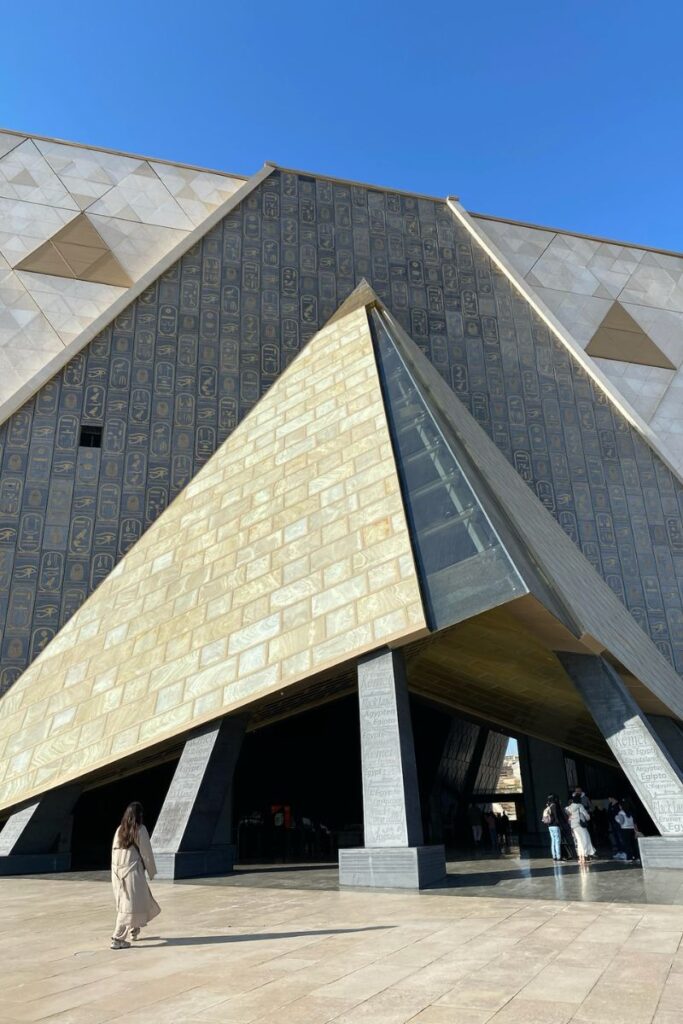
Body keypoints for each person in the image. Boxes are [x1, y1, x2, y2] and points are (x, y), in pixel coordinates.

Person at [111, 801, 160, 950]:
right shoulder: (140, 829)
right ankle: (117, 938)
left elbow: (114, 851)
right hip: (132, 871)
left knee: (136, 901)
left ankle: (134, 928)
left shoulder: (120, 830)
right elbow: (146, 852)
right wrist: (151, 871)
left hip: (117, 872)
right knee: (129, 906)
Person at [565, 794, 596, 864]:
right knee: (585, 840)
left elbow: (568, 814)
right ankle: (585, 857)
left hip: (574, 826)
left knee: (579, 841)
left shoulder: (569, 807)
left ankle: (581, 857)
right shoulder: (580, 805)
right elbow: (586, 815)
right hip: (580, 826)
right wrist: (587, 818)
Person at [615, 798, 640, 863]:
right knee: (633, 844)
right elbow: (634, 822)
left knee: (627, 844)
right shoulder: (630, 812)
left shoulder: (621, 812)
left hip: (624, 829)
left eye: (620, 805)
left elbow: (621, 821)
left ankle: (629, 857)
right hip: (632, 829)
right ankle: (636, 857)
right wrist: (636, 831)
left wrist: (616, 818)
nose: (619, 806)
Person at [542, 794, 565, 861]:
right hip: (555, 825)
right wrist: (559, 824)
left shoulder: (548, 806)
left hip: (550, 826)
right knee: (557, 841)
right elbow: (556, 816)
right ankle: (558, 856)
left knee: (553, 841)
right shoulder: (554, 805)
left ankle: (554, 856)